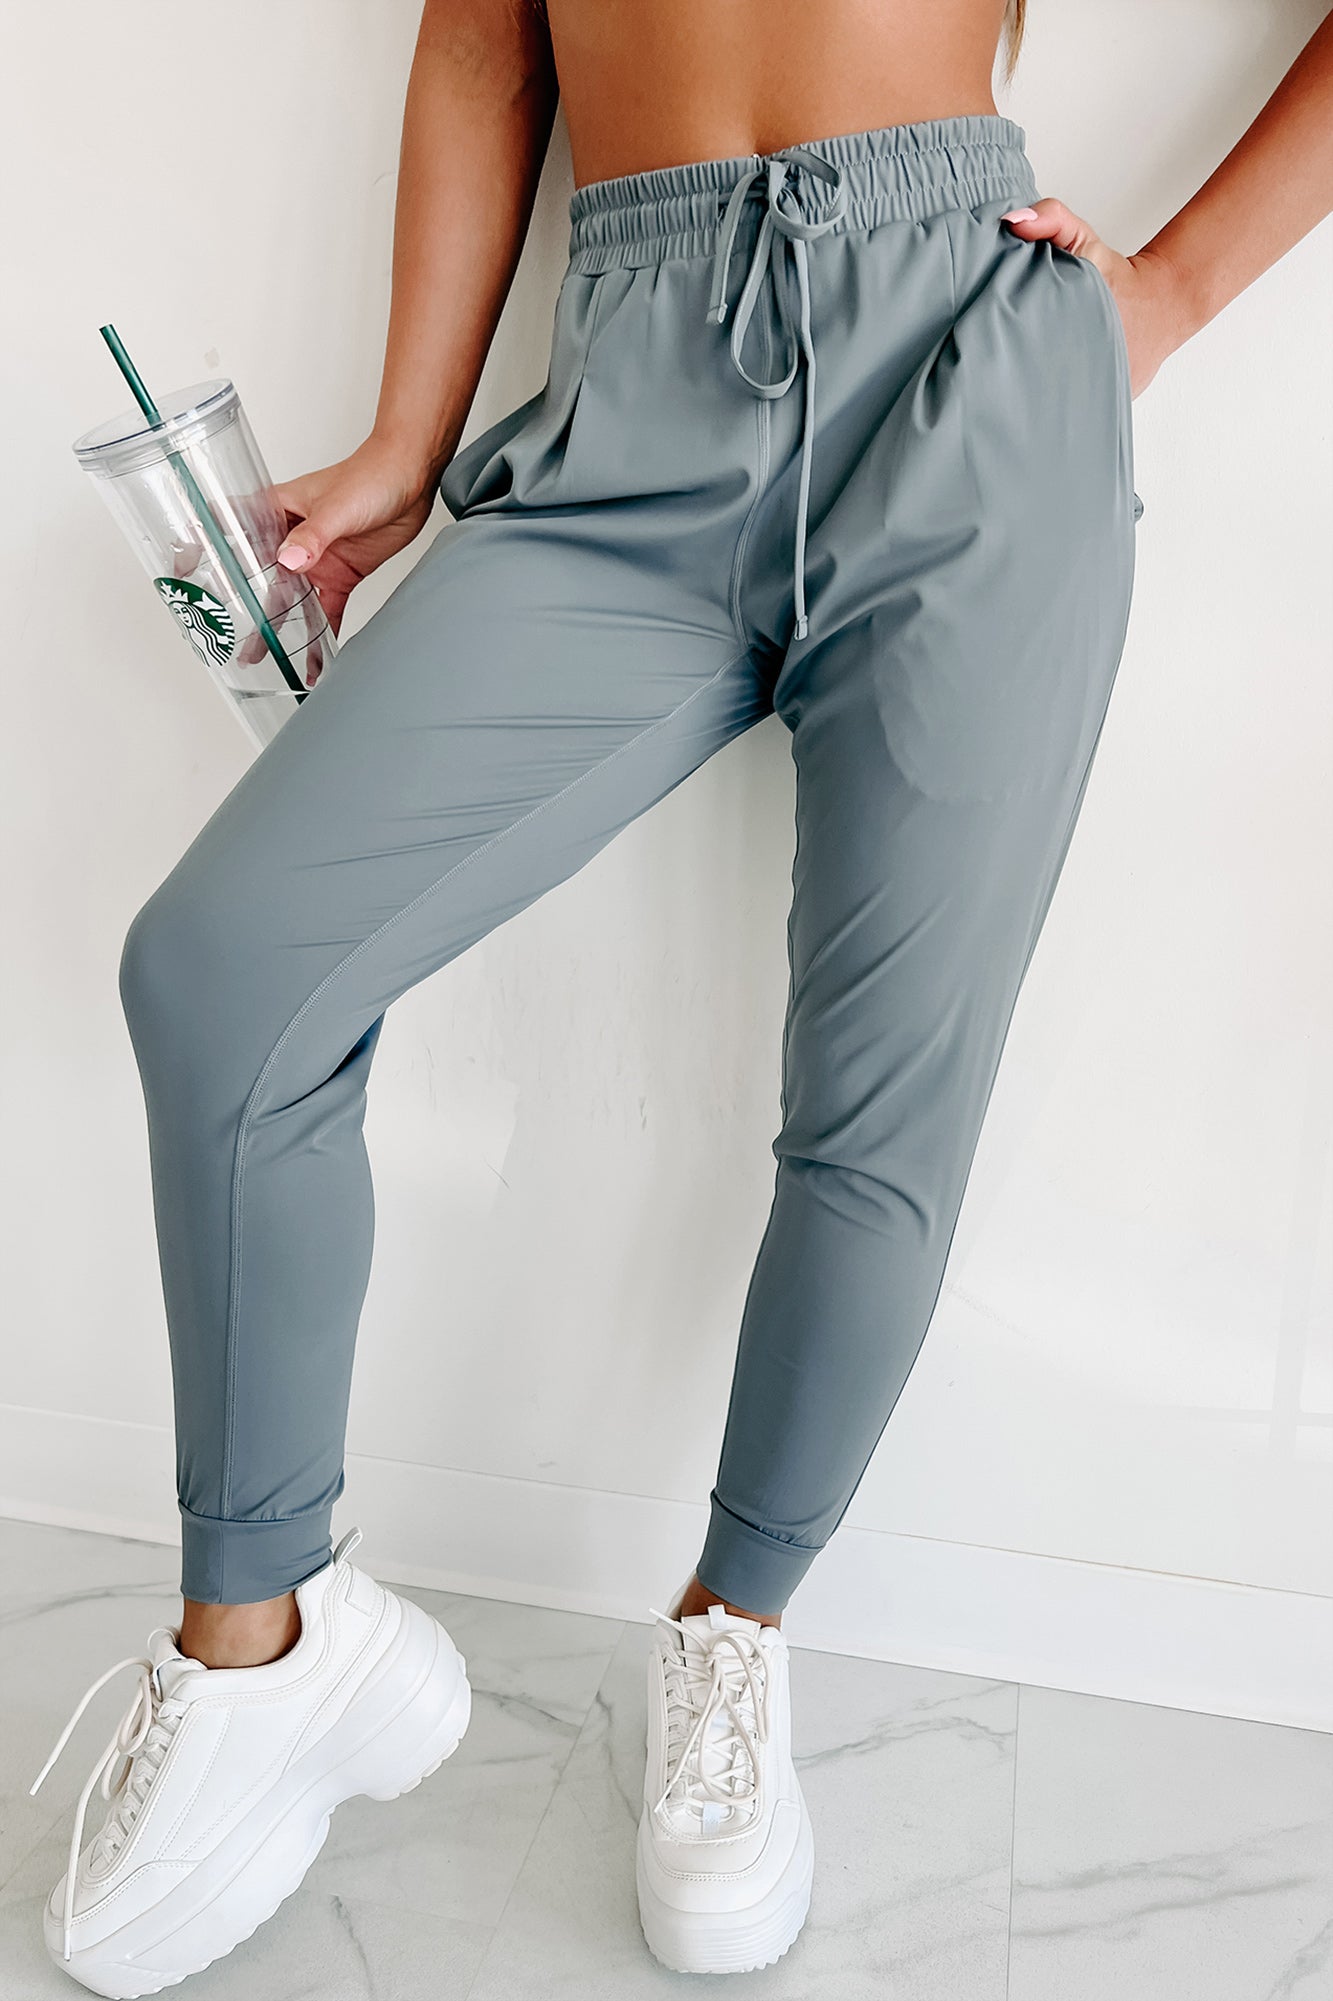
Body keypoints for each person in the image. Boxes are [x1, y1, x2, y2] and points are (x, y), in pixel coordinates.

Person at [31, 1, 1333, 1992]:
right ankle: (264, 1637)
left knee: (879, 1111)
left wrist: (1169, 287)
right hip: (627, 396)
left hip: (972, 366)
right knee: (223, 969)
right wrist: (406, 440)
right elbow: (486, 41)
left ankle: (734, 1634)